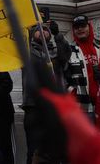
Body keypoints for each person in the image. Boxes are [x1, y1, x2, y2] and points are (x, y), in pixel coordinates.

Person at [21, 21, 71, 163]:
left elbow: (66, 53)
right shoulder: (28, 52)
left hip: (55, 107)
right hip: (34, 107)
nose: (42, 32)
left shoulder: (56, 53)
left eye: (45, 30)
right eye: (38, 30)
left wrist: (58, 35)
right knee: (34, 149)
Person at [63, 15, 100, 122]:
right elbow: (61, 79)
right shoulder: (68, 52)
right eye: (76, 27)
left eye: (83, 26)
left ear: (89, 28)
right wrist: (73, 94)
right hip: (79, 109)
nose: (80, 29)